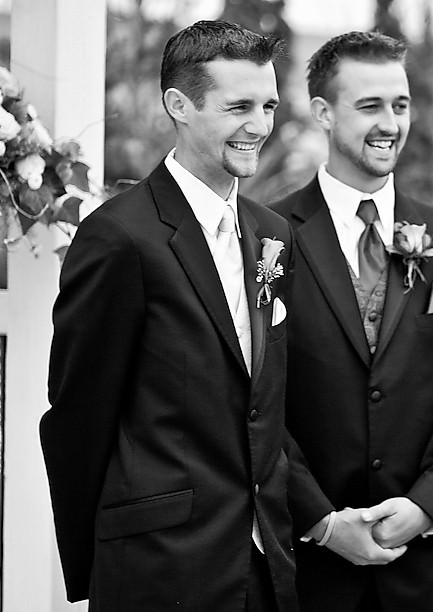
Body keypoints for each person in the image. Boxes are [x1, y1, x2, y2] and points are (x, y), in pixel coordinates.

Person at [42, 20, 298, 611]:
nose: (259, 125)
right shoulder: (118, 237)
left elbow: (266, 406)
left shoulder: (271, 234)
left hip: (266, 567)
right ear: (178, 105)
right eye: (239, 107)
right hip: (159, 569)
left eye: (268, 106)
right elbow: (79, 413)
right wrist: (97, 564)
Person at [271, 31, 433, 612]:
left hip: (419, 567)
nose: (391, 123)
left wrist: (428, 503)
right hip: (309, 562)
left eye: (400, 105)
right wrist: (321, 518)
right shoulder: (268, 238)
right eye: (370, 106)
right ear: (323, 113)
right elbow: (254, 397)